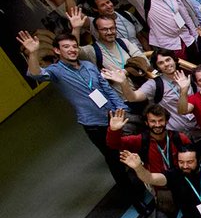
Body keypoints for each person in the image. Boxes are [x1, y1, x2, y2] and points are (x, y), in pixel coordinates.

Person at [17, 30, 142, 207]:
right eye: (66, 47)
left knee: (133, 148)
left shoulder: (88, 66)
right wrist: (33, 52)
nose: (72, 50)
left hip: (115, 117)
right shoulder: (56, 71)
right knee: (114, 159)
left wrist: (121, 108)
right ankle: (133, 199)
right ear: (57, 51)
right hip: (94, 124)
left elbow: (106, 89)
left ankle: (144, 184)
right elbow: (35, 74)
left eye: (74, 46)